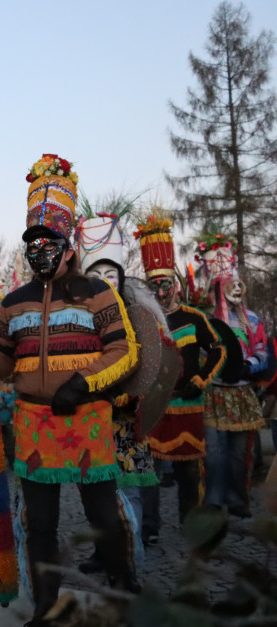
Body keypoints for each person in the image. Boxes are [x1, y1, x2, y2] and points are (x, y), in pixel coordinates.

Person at [0, 154, 140, 627]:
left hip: (89, 420)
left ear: (69, 244)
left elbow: (125, 350)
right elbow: (4, 365)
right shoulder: (12, 302)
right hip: (33, 425)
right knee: (41, 527)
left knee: (103, 519)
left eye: (48, 242)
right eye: (32, 243)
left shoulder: (98, 293)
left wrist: (84, 382)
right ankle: (47, 616)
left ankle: (124, 605)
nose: (39, 250)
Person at [74, 213, 166, 574]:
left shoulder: (138, 315)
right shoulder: (78, 319)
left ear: (122, 277)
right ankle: (102, 551)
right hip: (90, 419)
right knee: (95, 495)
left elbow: (153, 366)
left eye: (110, 275)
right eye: (95, 277)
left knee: (126, 491)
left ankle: (130, 550)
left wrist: (133, 395)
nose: (104, 283)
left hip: (125, 423)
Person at [138, 210, 224, 541]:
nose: (160, 293)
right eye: (153, 286)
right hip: (154, 406)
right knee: (150, 472)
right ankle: (149, 528)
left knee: (189, 470)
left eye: (165, 285)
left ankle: (191, 523)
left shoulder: (194, 317)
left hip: (188, 405)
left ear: (175, 284)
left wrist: (201, 379)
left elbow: (219, 349)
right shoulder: (144, 319)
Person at [197, 235, 268, 517]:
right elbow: (200, 353)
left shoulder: (252, 319)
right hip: (213, 393)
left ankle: (237, 500)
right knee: (214, 453)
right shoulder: (205, 319)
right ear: (217, 286)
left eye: (237, 283)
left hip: (242, 393)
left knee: (240, 453)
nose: (235, 288)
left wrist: (247, 365)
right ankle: (213, 500)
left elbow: (262, 350)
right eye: (228, 284)